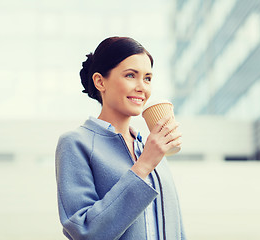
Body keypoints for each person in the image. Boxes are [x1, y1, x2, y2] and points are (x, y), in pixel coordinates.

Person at [55, 36, 185, 240]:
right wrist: (143, 166)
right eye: (131, 75)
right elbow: (85, 231)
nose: (142, 87)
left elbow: (176, 228)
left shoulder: (150, 148)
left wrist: (150, 157)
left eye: (148, 78)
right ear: (100, 81)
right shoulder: (75, 143)